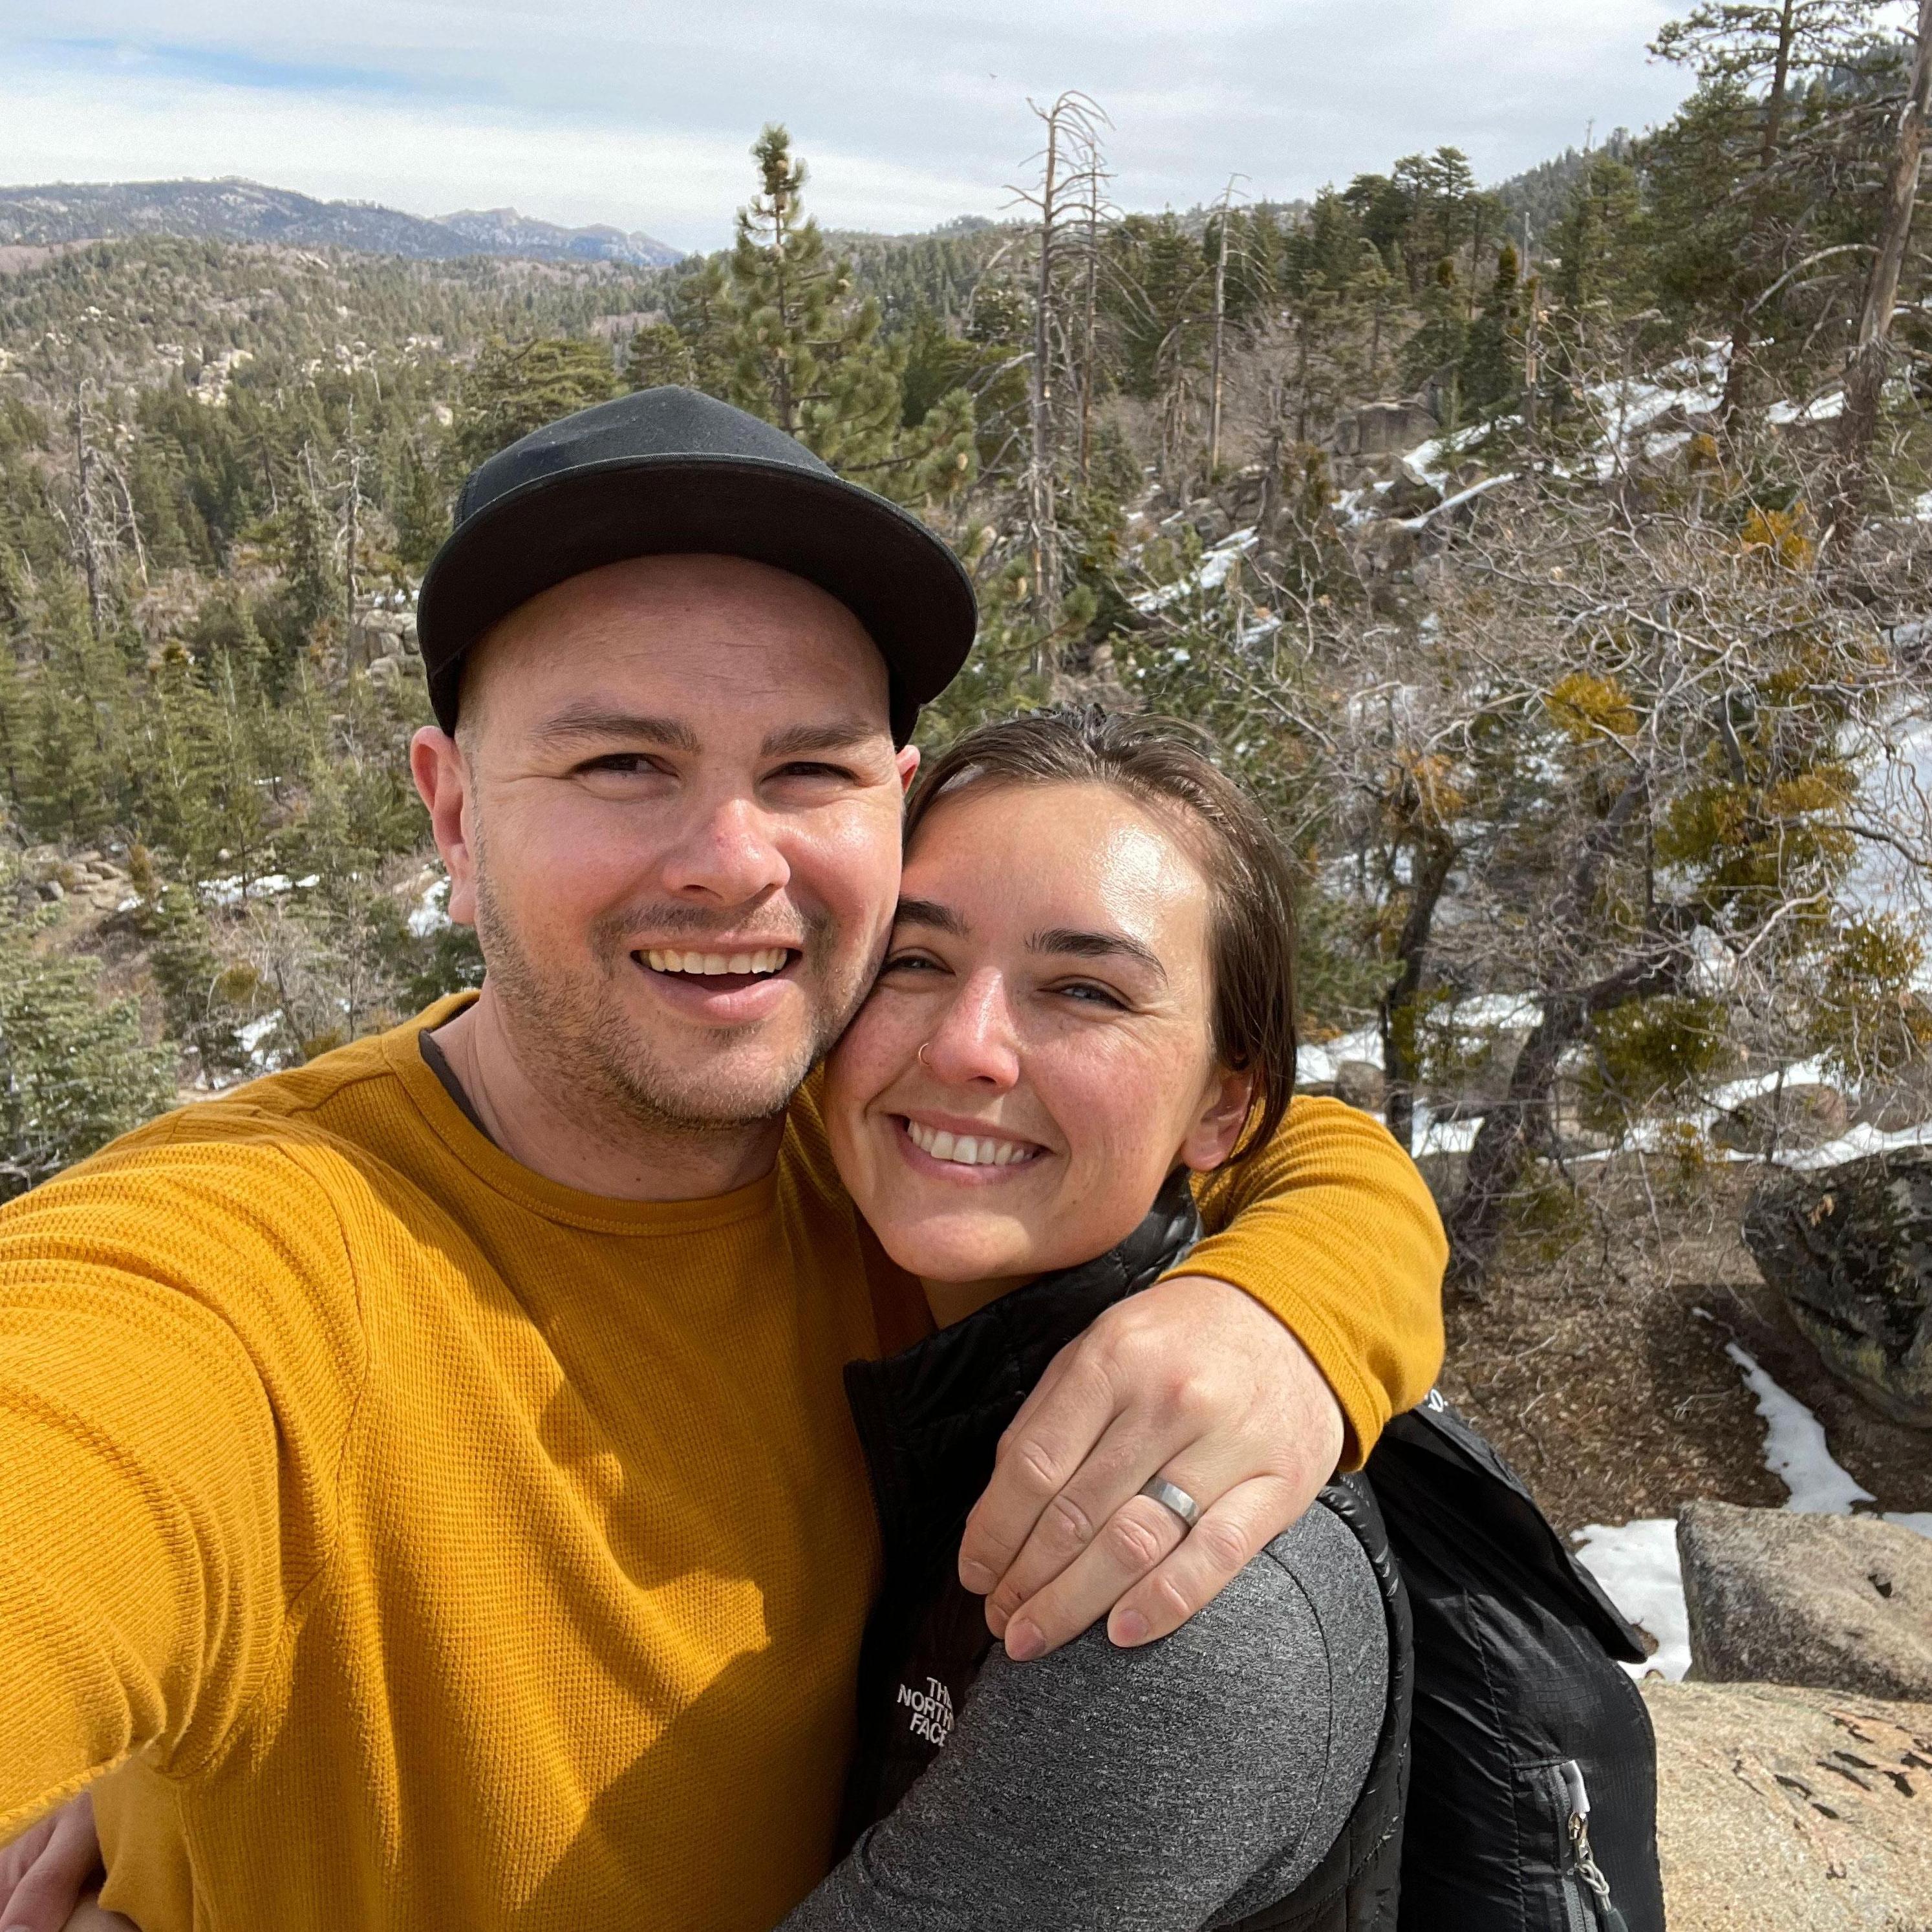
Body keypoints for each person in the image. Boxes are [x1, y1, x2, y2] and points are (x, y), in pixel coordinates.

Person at [0, 389, 1446, 1932]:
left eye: (810, 772)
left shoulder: (889, 1165)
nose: (732, 861)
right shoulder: (238, 1266)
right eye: (623, 762)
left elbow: (1289, 1139)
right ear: (453, 812)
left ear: (895, 809)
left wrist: (1284, 1314)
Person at [785, 707, 1408, 1930]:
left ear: (1228, 1106)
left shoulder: (1171, 1599)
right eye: (914, 962)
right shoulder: (888, 1320)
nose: (971, 1049)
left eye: (1084, 989)